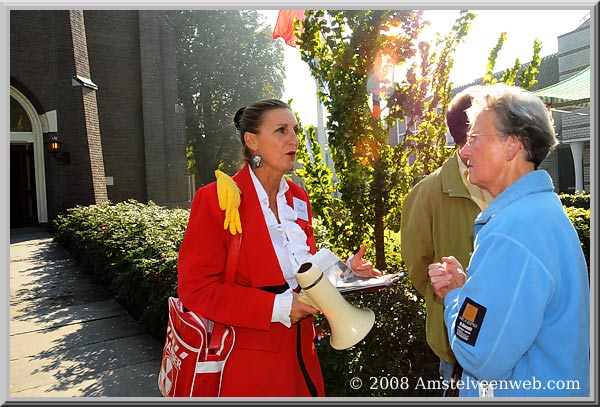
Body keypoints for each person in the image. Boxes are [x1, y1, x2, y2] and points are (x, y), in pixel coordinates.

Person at [177, 99, 381, 397]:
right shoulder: (215, 199)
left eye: (295, 130)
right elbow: (195, 289)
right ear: (252, 141)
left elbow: (303, 272)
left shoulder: (298, 197)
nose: (294, 139)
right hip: (249, 368)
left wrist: (345, 272)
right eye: (281, 130)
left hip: (304, 359)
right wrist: (279, 307)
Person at [428, 83, 589, 397]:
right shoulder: (539, 213)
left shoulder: (513, 230)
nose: (465, 150)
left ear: (513, 146)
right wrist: (468, 288)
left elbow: (479, 354)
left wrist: (454, 298)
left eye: (475, 138)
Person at [400, 86, 493, 391]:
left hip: (507, 333)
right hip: (458, 342)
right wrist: (448, 300)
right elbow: (417, 265)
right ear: (467, 134)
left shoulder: (505, 181)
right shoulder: (428, 192)